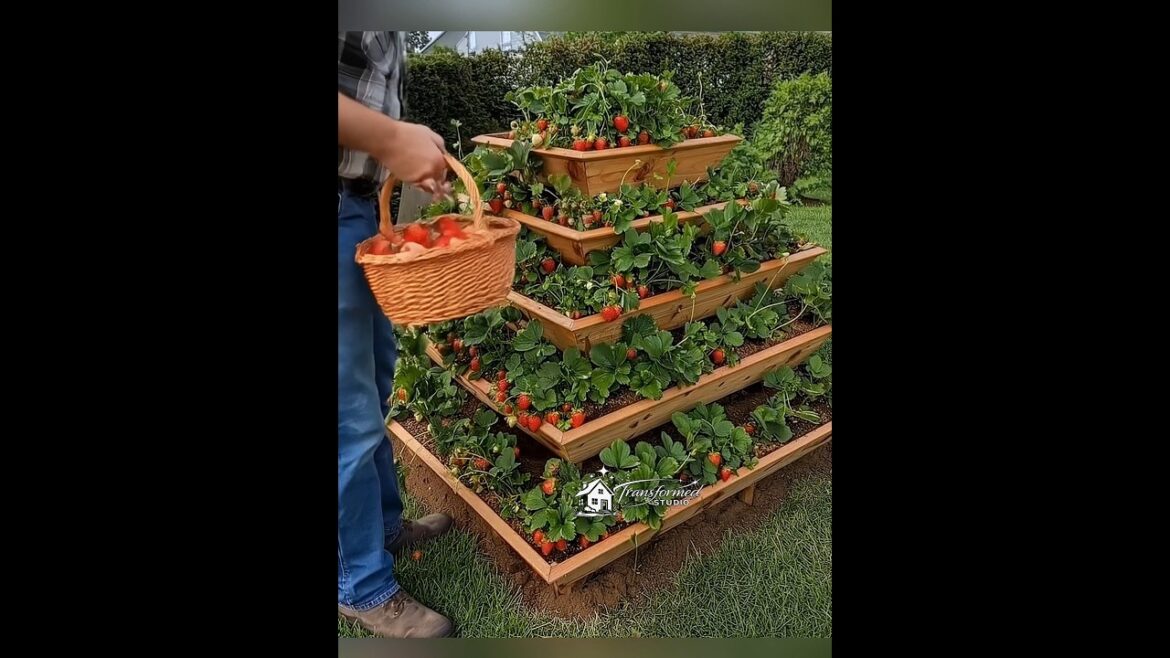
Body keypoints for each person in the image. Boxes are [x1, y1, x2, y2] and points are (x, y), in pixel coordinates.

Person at [337, 31, 455, 638]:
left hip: (357, 206)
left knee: (376, 381)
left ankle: (381, 527)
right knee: (345, 416)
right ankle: (360, 584)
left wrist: (402, 151)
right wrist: (390, 138)